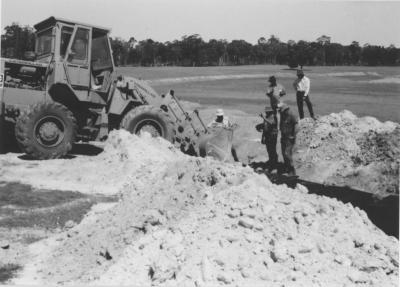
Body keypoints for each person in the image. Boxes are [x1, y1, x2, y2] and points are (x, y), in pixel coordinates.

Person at [277, 102, 299, 176]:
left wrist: (293, 135)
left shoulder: (291, 114)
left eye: (280, 110)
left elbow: (296, 126)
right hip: (284, 136)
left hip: (289, 137)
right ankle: (287, 168)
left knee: (287, 153)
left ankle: (292, 171)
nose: (279, 112)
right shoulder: (283, 114)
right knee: (284, 153)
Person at [257, 107, 278, 172]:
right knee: (269, 151)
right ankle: (271, 164)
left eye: (267, 112)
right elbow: (265, 127)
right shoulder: (267, 117)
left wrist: (264, 118)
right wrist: (263, 137)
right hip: (268, 136)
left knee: (272, 151)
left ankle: (274, 166)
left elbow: (271, 123)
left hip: (272, 136)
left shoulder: (273, 117)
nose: (266, 113)